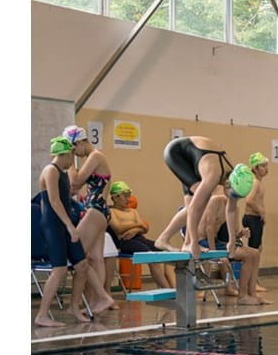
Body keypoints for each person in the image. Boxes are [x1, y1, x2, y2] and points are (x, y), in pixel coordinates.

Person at [34, 137, 115, 327]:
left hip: (64, 224)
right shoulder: (50, 171)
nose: (74, 160)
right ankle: (42, 314)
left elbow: (69, 194)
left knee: (82, 265)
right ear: (63, 154)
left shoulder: (61, 173)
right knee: (59, 269)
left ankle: (88, 303)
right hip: (53, 225)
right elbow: (54, 202)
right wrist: (70, 227)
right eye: (71, 155)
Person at [154, 136, 253, 260]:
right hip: (177, 153)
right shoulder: (214, 175)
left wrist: (232, 241)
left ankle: (166, 239)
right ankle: (187, 242)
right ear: (228, 183)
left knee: (195, 202)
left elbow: (231, 210)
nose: (233, 198)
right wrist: (195, 242)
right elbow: (195, 208)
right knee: (201, 200)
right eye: (234, 195)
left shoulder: (235, 177)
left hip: (195, 158)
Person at [63, 125, 117, 311]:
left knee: (76, 254)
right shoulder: (96, 158)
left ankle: (77, 303)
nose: (73, 154)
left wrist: (69, 163)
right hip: (99, 210)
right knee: (95, 258)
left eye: (72, 150)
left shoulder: (95, 156)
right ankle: (96, 301)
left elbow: (76, 182)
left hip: (95, 210)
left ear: (79, 142)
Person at [200, 182, 271, 305]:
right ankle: (242, 296)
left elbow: (232, 234)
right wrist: (214, 253)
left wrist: (241, 233)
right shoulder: (216, 200)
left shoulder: (233, 207)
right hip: (204, 242)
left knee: (255, 253)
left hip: (217, 241)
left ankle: (252, 293)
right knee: (247, 256)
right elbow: (209, 228)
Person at [108, 181, 174, 289]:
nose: (128, 199)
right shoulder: (111, 212)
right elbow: (118, 228)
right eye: (125, 196)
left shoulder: (132, 211)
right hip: (125, 242)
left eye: (128, 196)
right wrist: (138, 225)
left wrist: (135, 230)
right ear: (115, 198)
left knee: (168, 250)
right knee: (152, 257)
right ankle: (168, 290)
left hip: (140, 239)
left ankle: (174, 286)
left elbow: (145, 228)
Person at [243, 152, 269, 292]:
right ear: (255, 168)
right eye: (263, 166)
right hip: (252, 218)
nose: (266, 168)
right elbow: (249, 200)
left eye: (266, 165)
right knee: (254, 252)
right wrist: (261, 212)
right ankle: (252, 283)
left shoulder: (259, 182)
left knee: (257, 250)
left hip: (255, 219)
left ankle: (253, 280)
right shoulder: (255, 182)